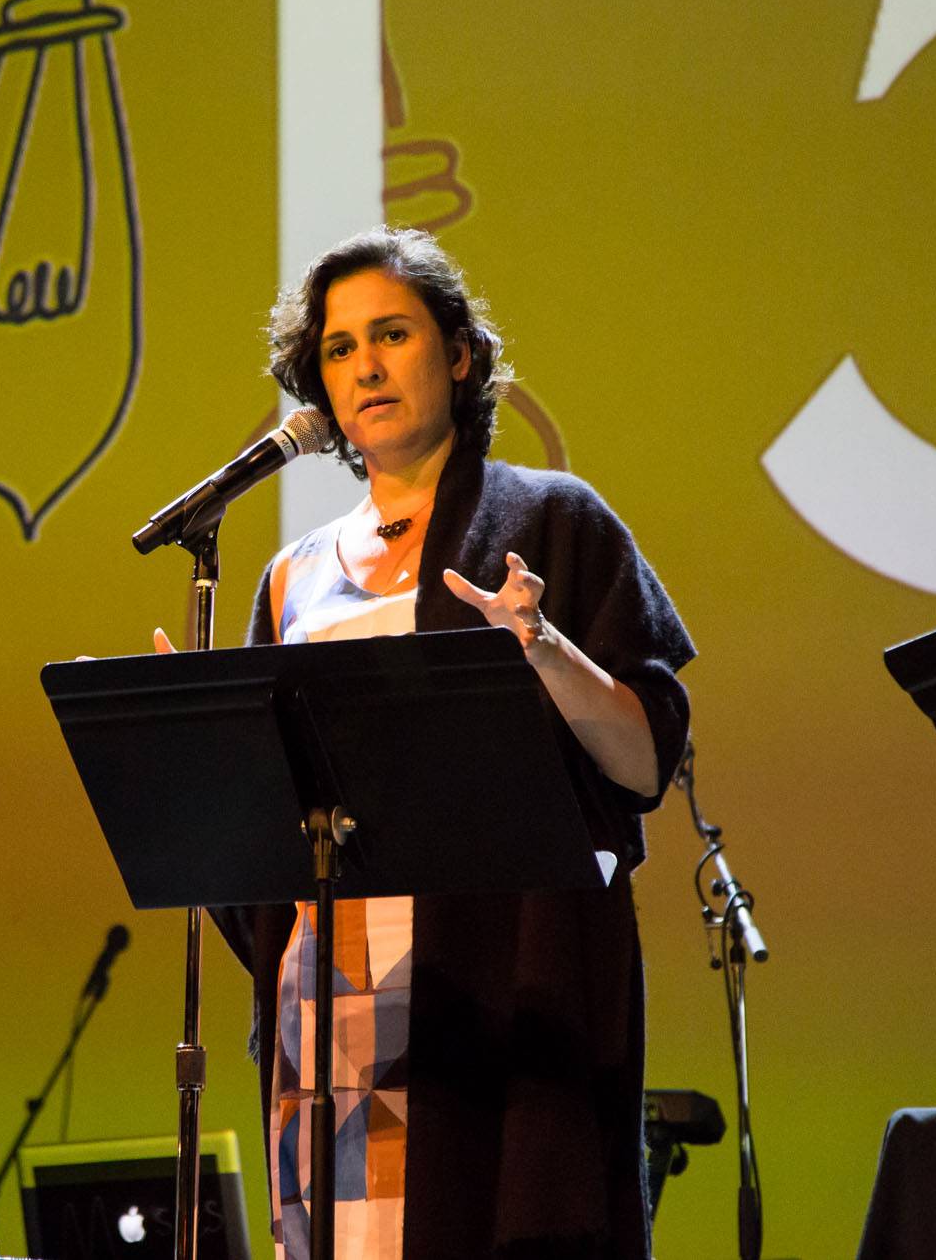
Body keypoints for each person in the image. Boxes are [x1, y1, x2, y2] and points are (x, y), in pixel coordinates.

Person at [185, 227, 695, 1259]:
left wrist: (542, 644)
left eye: (391, 334)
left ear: (457, 355)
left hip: (493, 1001)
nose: (364, 366)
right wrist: (196, 741)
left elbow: (643, 762)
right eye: (336, 349)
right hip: (325, 1010)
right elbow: (254, 853)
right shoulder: (289, 577)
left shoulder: (550, 520)